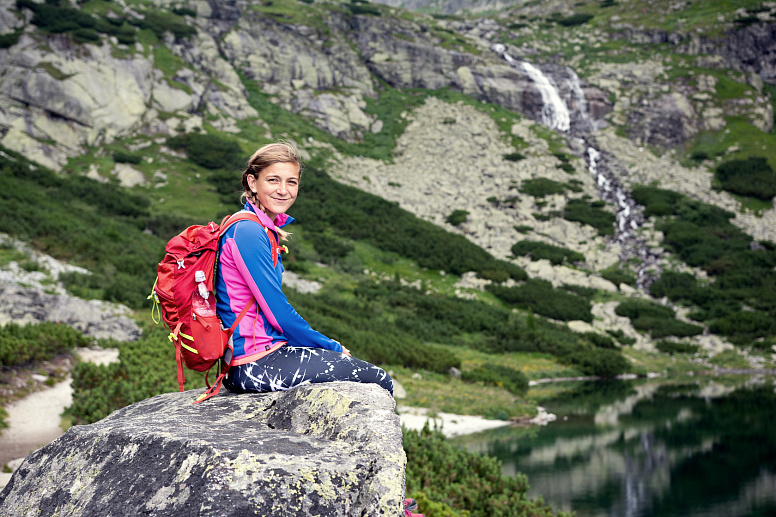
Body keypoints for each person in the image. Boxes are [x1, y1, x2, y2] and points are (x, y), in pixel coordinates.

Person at [215, 141, 394, 395]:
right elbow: (278, 312)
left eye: (292, 182)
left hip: (261, 355)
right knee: (379, 379)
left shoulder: (261, 227)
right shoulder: (248, 231)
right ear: (253, 183)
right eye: (273, 180)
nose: (283, 190)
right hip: (253, 363)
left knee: (365, 376)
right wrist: (330, 345)